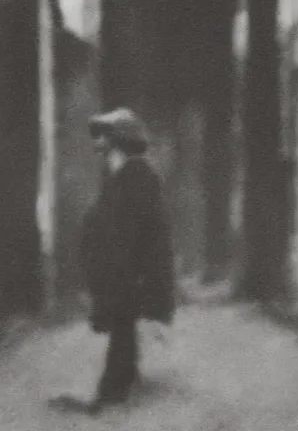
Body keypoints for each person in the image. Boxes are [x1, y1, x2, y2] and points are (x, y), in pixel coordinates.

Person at [80, 107, 176, 413]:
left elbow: (140, 228)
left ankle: (113, 388)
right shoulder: (119, 171)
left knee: (122, 322)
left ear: (118, 139)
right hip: (120, 265)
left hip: (129, 265)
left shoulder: (138, 174)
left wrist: (136, 270)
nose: (97, 141)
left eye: (103, 135)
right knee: (122, 324)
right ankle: (123, 377)